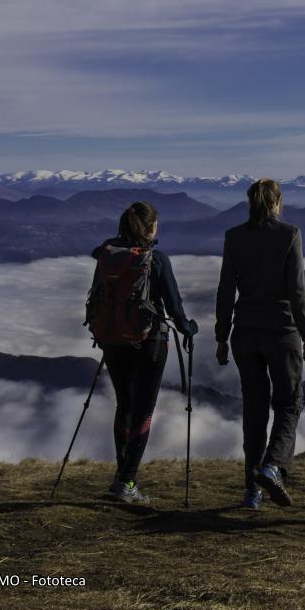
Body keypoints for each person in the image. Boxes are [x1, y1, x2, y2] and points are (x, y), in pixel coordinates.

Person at [215, 178, 305, 509]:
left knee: (254, 413)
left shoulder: (234, 237)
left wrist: (221, 336)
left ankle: (251, 492)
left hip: (244, 334)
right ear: (278, 202)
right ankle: (272, 468)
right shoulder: (290, 234)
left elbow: (226, 290)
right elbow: (297, 292)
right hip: (282, 333)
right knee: (289, 404)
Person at [93, 201, 198, 504]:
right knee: (143, 411)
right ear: (151, 227)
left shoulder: (107, 256)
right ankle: (126, 481)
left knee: (123, 405)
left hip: (112, 341)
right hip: (149, 343)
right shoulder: (157, 259)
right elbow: (176, 310)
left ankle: (121, 475)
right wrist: (190, 328)